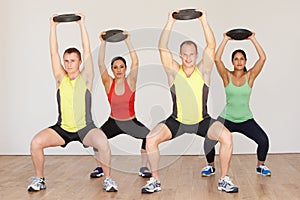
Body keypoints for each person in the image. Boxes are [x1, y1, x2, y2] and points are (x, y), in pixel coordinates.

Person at [141, 9, 238, 193]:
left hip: (202, 120)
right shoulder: (173, 72)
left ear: (196, 55)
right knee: (150, 139)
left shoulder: (203, 71)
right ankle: (154, 180)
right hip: (177, 121)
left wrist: (203, 20)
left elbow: (211, 45)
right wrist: (170, 21)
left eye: (191, 54)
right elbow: (162, 48)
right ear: (180, 55)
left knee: (227, 137)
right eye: (184, 54)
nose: (188, 58)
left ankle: (224, 179)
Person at [27, 14, 118, 192]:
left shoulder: (86, 77)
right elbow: (53, 52)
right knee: (35, 143)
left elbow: (87, 49)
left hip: (86, 128)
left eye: (73, 61)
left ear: (79, 62)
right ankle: (40, 179)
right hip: (63, 129)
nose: (69, 64)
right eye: (66, 61)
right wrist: (53, 26)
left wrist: (81, 24)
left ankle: (108, 179)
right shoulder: (61, 78)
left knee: (103, 142)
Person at [201, 32, 271, 177]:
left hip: (246, 119)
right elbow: (217, 59)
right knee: (209, 140)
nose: (239, 62)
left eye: (241, 59)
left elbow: (263, 58)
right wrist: (226, 39)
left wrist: (252, 38)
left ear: (245, 61)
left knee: (263, 140)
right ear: (232, 62)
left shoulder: (250, 76)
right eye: (236, 59)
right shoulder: (227, 76)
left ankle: (261, 166)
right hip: (227, 118)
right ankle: (210, 166)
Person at [90, 31, 151, 179]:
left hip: (131, 121)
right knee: (96, 139)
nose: (118, 70)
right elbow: (100, 63)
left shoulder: (130, 81)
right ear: (112, 69)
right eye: (115, 67)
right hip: (113, 122)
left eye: (121, 67)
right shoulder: (108, 83)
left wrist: (128, 41)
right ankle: (100, 168)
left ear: (125, 69)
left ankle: (144, 167)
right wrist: (103, 42)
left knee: (148, 137)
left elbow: (136, 62)